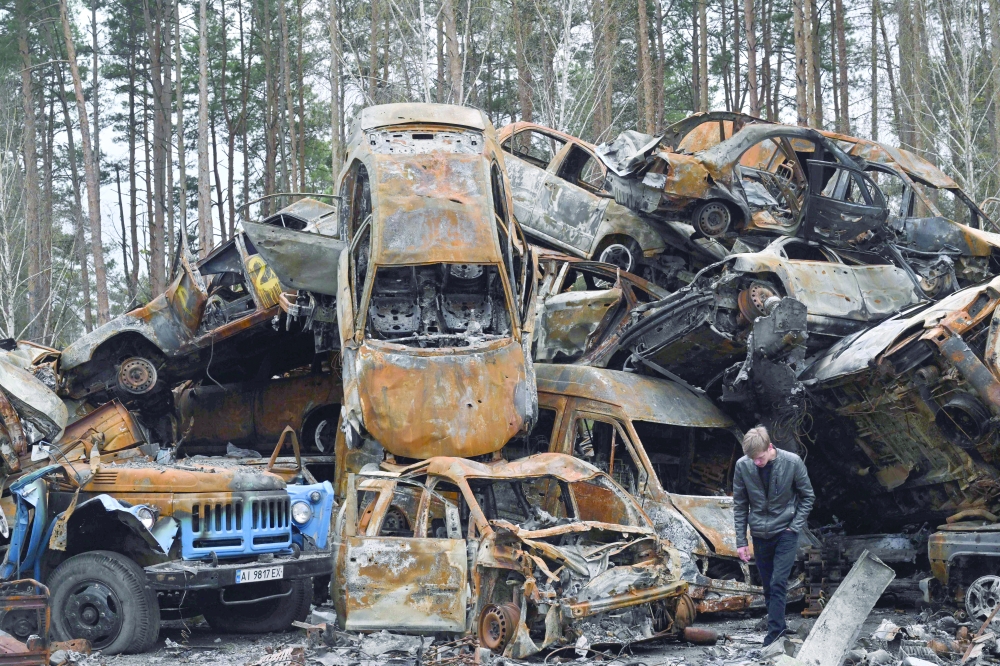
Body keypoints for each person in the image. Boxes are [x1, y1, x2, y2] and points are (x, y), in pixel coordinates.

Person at [733, 425, 815, 647]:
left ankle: (775, 634)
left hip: (785, 531)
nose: (756, 463)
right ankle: (777, 626)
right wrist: (741, 541)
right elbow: (740, 505)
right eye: (752, 459)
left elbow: (808, 496)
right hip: (759, 534)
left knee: (778, 582)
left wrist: (794, 526)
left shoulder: (792, 462)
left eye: (760, 458)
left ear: (770, 447)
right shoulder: (743, 466)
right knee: (768, 585)